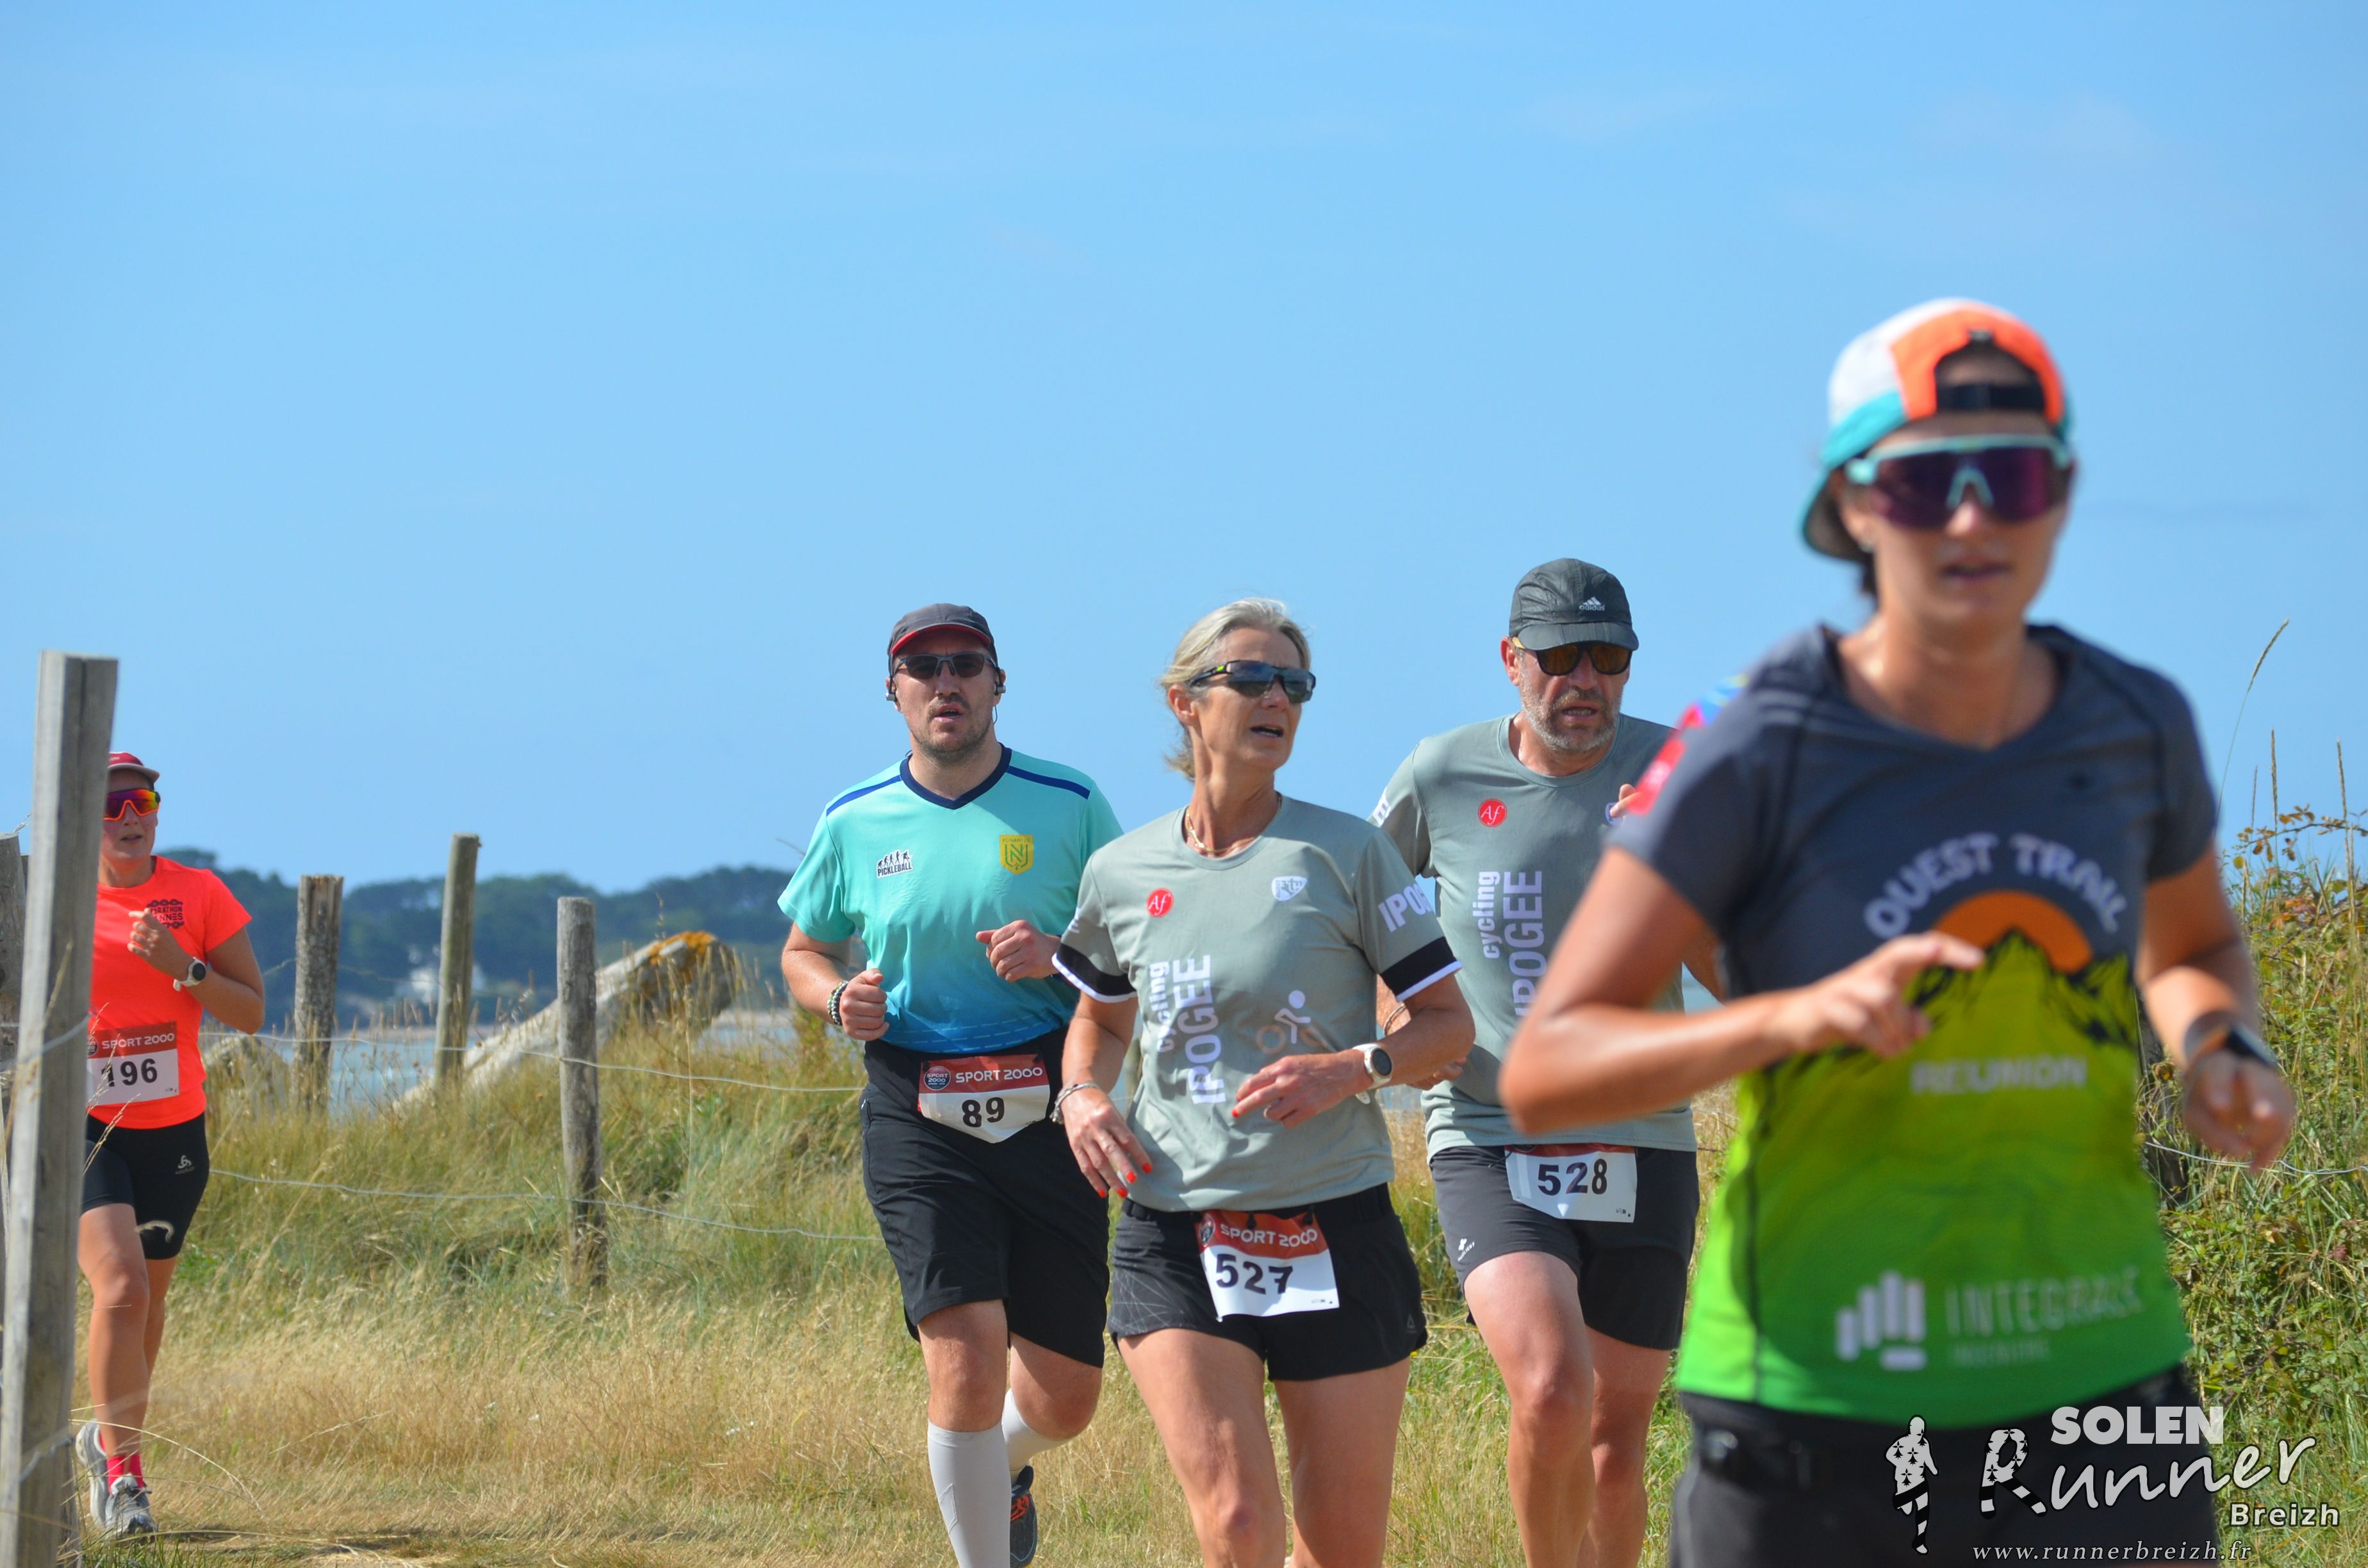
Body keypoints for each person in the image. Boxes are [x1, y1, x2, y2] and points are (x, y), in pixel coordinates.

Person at [1500, 300, 2297, 1566]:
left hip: (2099, 1388)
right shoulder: (1758, 739)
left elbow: (2194, 946)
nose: (1973, 519)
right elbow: (1548, 1068)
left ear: (2062, 494)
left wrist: (2219, 1046)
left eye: (2012, 476)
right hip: (1818, 1405)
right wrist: (1795, 1019)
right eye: (1928, 482)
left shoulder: (2135, 722)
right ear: (1855, 506)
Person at [1053, 598, 1476, 1568]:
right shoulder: (1121, 871)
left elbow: (1449, 1030)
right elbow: (1100, 1023)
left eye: (1294, 683)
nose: (1276, 698)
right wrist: (1081, 1097)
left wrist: (1354, 1068)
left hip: (1336, 1221)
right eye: (1250, 678)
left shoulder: (1349, 853)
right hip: (1175, 1229)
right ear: (1185, 702)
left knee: (1342, 1550)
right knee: (1241, 1525)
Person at [1371, 559, 1716, 1568]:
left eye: (1607, 658)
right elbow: (1366, 913)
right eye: (1561, 658)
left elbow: (1729, 960)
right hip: (1490, 1129)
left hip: (1645, 1138)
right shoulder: (1440, 774)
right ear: (1512, 661)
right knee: (1554, 1389)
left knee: (1614, 1440)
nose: (1585, 681)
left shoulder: (1677, 770)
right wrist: (1393, 1028)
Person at [778, 604, 1121, 1568]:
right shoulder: (854, 818)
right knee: (964, 1360)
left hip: (1051, 1098)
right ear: (893, 692)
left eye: (965, 664)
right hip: (916, 1102)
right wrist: (837, 997)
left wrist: (1061, 956)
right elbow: (804, 951)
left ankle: (994, 1472)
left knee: (1066, 1398)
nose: (945, 683)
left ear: (998, 685)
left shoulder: (1070, 801)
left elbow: (1133, 945)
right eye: (922, 668)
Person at [76, 752, 267, 1537]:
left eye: (143, 803)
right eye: (112, 805)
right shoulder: (55, 897)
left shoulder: (199, 894)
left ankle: (106, 1441)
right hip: (85, 1129)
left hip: (174, 1133)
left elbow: (250, 1012)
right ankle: (127, 1481)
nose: (130, 818)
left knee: (146, 1311)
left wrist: (183, 968)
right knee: (121, 1290)